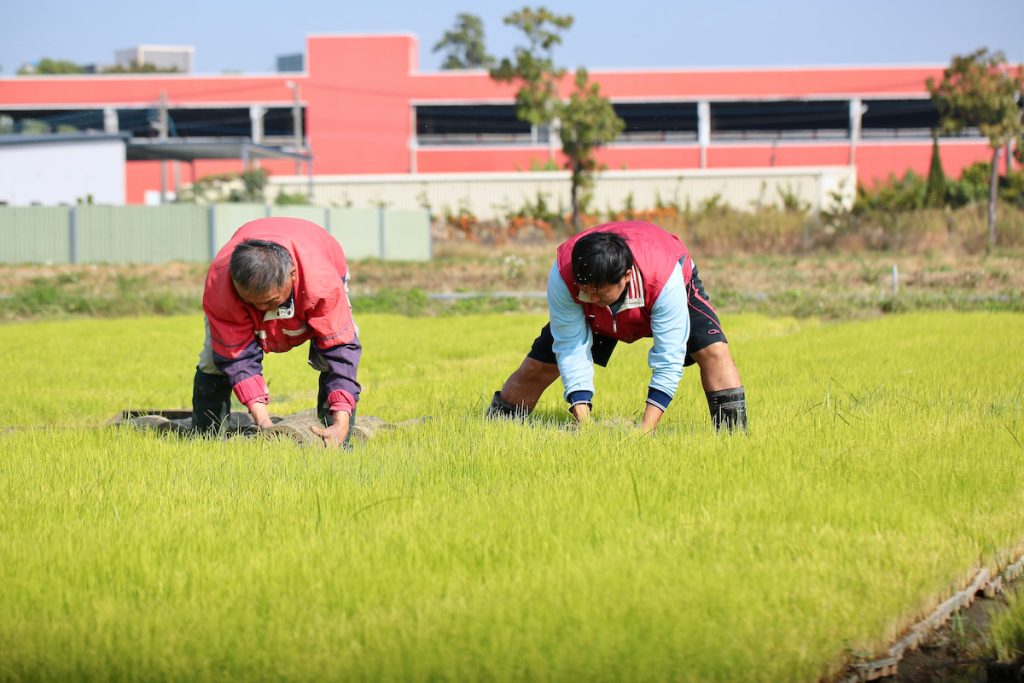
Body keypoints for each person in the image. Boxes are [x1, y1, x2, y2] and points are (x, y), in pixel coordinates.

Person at [486, 220, 746, 433]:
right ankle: (496, 429)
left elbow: (669, 359)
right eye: (586, 293)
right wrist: (583, 417)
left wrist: (645, 429)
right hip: (603, 289)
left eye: (600, 294)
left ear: (626, 277)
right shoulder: (565, 276)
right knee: (537, 367)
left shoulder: (664, 279)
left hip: (663, 278)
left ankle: (732, 439)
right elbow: (569, 345)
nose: (593, 301)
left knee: (714, 352)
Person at [192, 217, 361, 447]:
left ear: (292, 275)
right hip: (234, 288)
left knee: (329, 359)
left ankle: (337, 439)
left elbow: (340, 350)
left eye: (269, 301)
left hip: (319, 259)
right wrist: (264, 423)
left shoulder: (322, 284)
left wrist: (341, 421)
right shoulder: (221, 286)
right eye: (252, 303)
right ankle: (206, 441)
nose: (261, 310)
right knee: (214, 359)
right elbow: (237, 356)